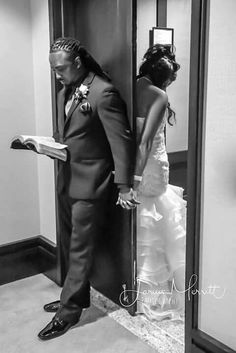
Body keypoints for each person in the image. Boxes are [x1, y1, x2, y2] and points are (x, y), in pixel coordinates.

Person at [38, 37, 138, 340]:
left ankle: (68, 312)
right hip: (66, 180)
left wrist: (123, 186)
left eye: (61, 69)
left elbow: (121, 143)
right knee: (68, 243)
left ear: (78, 63)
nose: (57, 75)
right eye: (53, 69)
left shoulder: (102, 92)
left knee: (80, 250)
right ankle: (77, 296)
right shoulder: (63, 92)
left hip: (92, 185)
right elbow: (67, 135)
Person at [133, 44, 186, 321]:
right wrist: (137, 178)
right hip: (152, 164)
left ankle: (137, 289)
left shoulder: (133, 86)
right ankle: (155, 294)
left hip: (136, 162)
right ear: (164, 78)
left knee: (144, 220)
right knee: (158, 221)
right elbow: (146, 142)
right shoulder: (158, 95)